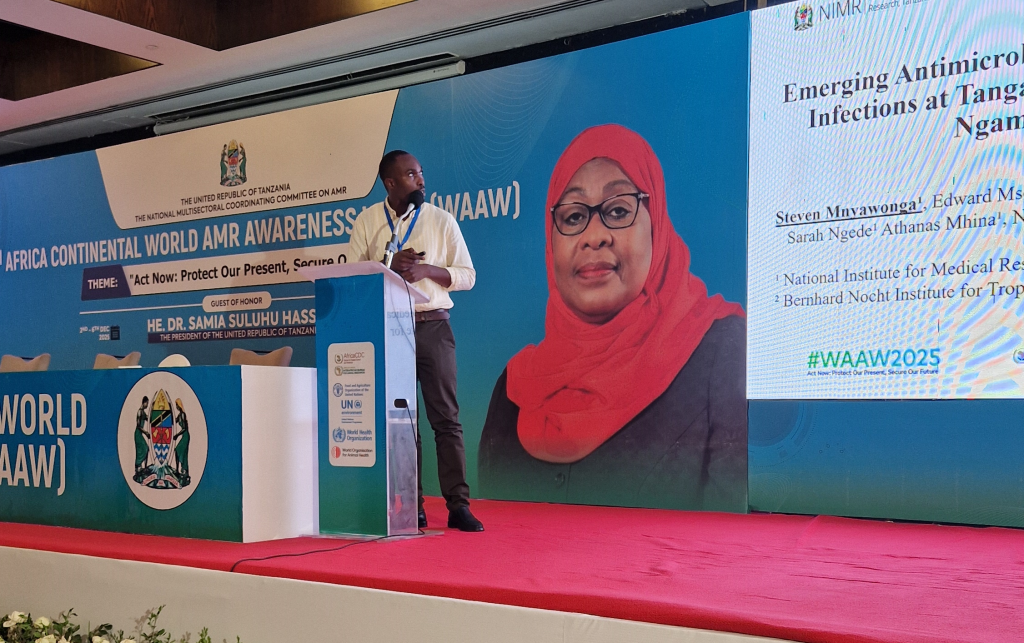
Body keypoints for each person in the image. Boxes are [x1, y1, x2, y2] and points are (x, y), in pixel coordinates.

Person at [478, 125, 747, 512]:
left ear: (656, 223)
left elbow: (728, 531)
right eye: (573, 217)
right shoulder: (515, 389)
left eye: (618, 210)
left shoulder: (721, 351)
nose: (594, 237)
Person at [348, 150, 484, 532]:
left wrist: (426, 270)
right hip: (391, 328)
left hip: (433, 326)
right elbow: (354, 276)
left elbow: (468, 275)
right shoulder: (368, 222)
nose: (421, 180)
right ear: (390, 183)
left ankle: (458, 506)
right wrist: (388, 267)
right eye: (411, 174)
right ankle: (411, 505)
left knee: (446, 419)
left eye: (421, 172)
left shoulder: (441, 220)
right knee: (403, 423)